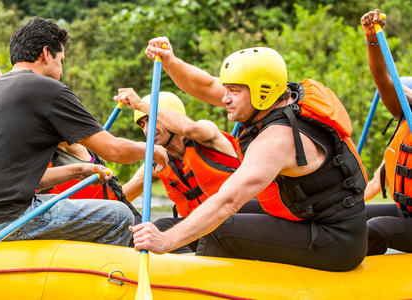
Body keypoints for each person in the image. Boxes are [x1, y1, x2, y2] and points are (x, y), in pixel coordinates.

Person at [129, 38, 368, 271]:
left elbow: (228, 201)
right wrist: (171, 62)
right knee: (226, 217)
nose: (224, 98)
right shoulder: (281, 97)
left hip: (335, 242)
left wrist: (165, 241)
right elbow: (205, 86)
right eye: (226, 88)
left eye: (233, 90)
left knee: (221, 228)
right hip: (308, 219)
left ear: (262, 92)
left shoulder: (277, 140)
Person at [0, 17, 168, 247]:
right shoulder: (48, 89)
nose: (60, 73)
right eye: (61, 61)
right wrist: (152, 150)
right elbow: (115, 151)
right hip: (2, 220)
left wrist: (81, 169)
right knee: (119, 216)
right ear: (46, 53)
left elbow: (23, 181)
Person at [0, 64, 141, 225]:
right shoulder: (23, 155)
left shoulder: (64, 142)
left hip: (113, 218)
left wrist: (152, 150)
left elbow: (115, 149)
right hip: (77, 222)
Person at [115, 90, 254, 252]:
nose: (147, 130)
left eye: (153, 120)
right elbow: (123, 196)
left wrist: (140, 105)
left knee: (215, 227)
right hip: (198, 229)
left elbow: (190, 129)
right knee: (159, 228)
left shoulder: (207, 135)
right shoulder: (157, 162)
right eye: (143, 125)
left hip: (238, 216)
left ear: (171, 118)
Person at [361, 9, 412, 255]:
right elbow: (383, 79)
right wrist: (372, 39)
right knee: (348, 217)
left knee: (374, 229)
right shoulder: (407, 112)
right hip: (405, 212)